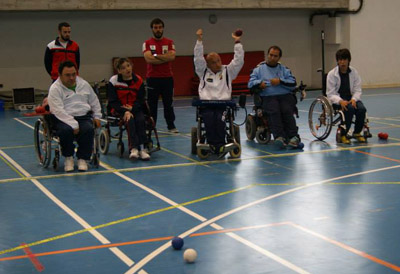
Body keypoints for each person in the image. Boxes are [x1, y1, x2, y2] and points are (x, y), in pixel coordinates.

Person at [194, 28, 244, 152]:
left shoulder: (228, 71)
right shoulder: (203, 71)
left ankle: (220, 145)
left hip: (223, 105)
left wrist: (237, 43)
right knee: (210, 119)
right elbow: (198, 58)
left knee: (220, 120)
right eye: (213, 62)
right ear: (207, 64)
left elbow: (238, 61)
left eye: (218, 61)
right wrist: (199, 41)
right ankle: (212, 144)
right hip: (207, 105)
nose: (217, 64)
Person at [48, 61, 101, 172]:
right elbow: (57, 110)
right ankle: (69, 157)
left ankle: (83, 158)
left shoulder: (84, 84)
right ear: (60, 75)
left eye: (73, 74)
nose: (71, 78)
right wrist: (73, 124)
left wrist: (97, 116)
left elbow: (94, 101)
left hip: (83, 116)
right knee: (65, 131)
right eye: (67, 75)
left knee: (88, 129)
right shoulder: (55, 89)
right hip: (63, 118)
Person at [248, 45, 299, 148]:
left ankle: (293, 136)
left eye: (275, 56)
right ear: (267, 55)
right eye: (271, 55)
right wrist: (259, 83)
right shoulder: (258, 70)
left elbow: (293, 83)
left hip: (284, 95)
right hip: (268, 96)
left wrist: (280, 81)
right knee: (274, 110)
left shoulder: (284, 69)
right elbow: (250, 84)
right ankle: (279, 137)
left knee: (287, 110)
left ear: (279, 58)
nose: (272, 58)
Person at [107, 58, 150, 161]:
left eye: (128, 66)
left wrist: (132, 108)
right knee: (129, 120)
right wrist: (125, 111)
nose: (127, 69)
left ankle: (143, 149)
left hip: (135, 108)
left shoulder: (138, 80)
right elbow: (112, 101)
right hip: (119, 109)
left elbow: (141, 99)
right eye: (123, 68)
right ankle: (134, 148)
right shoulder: (113, 81)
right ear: (119, 71)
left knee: (140, 120)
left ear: (131, 66)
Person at [142, 18, 178, 133]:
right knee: (152, 105)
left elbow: (172, 57)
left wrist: (156, 56)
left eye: (160, 27)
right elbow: (149, 59)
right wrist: (164, 57)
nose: (158, 30)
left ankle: (171, 126)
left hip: (167, 78)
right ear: (152, 29)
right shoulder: (147, 43)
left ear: (163, 28)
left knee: (169, 103)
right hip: (152, 78)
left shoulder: (170, 42)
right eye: (155, 27)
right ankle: (151, 127)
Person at [326, 48, 366, 144]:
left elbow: (357, 90)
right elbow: (330, 93)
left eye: (344, 59)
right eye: (340, 60)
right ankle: (343, 134)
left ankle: (357, 133)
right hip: (338, 100)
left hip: (351, 98)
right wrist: (340, 101)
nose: (342, 62)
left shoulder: (354, 72)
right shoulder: (332, 74)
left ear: (348, 60)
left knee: (361, 109)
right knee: (349, 109)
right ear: (337, 61)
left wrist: (354, 99)